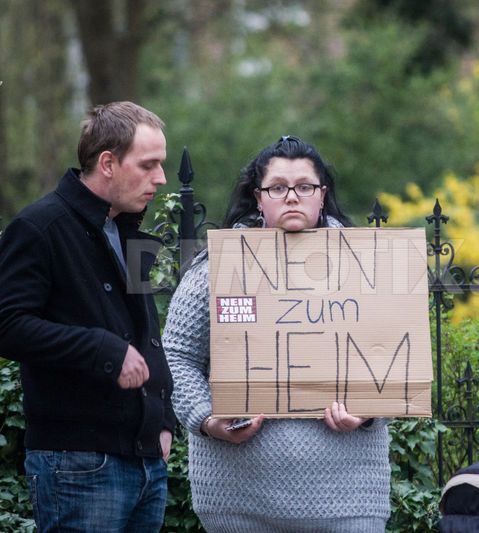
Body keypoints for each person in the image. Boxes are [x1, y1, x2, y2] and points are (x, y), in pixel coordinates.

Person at [163, 135, 391, 532]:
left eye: (304, 187)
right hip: (238, 498)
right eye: (278, 188)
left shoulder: (367, 270)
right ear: (258, 196)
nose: (291, 197)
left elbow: (394, 359)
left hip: (348, 497)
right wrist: (207, 419)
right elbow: (176, 355)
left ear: (323, 195)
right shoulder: (215, 269)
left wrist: (368, 410)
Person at [0, 101, 176, 531]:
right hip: (77, 464)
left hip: (145, 462)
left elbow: (145, 334)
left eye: (162, 165)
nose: (161, 179)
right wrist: (102, 349)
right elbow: (7, 326)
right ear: (108, 163)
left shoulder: (126, 226)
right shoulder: (40, 227)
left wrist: (163, 420)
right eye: (148, 164)